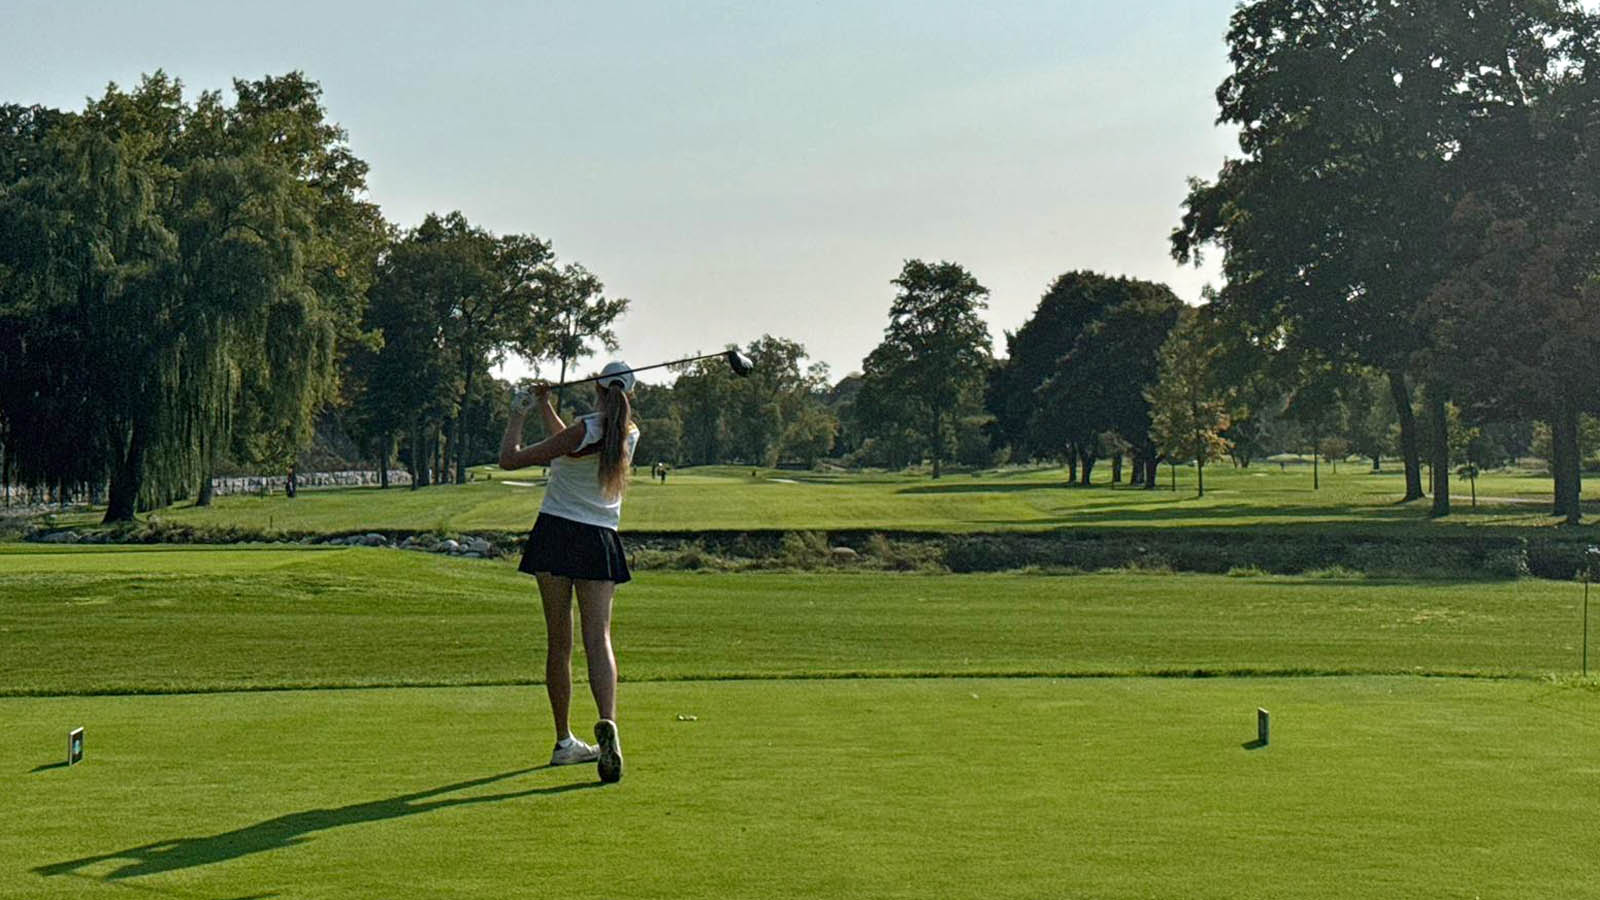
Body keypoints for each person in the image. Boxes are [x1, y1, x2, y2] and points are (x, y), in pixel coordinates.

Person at [499, 362, 639, 784]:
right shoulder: (627, 434)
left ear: (596, 386)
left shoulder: (583, 430)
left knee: (560, 641)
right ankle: (607, 722)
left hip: (557, 533)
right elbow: (573, 440)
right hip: (599, 540)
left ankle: (564, 742)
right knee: (599, 639)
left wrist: (519, 412)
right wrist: (546, 405)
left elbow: (511, 460)